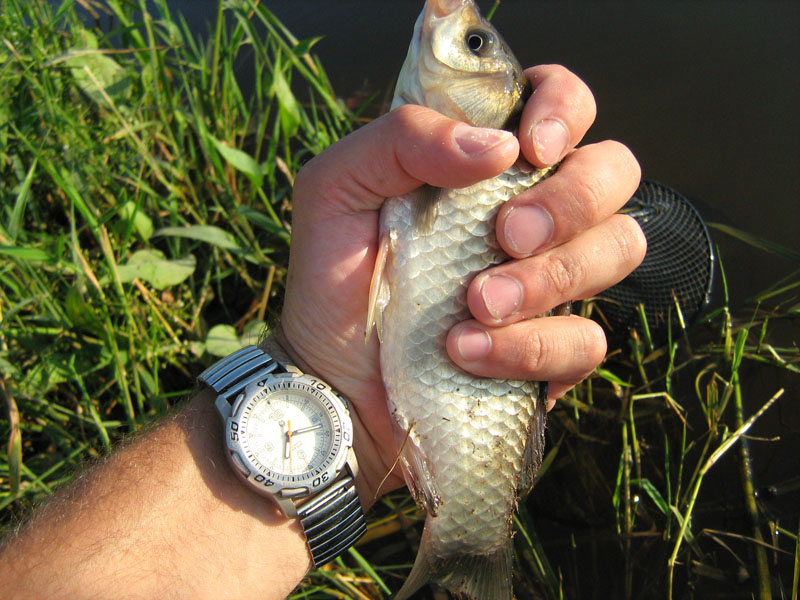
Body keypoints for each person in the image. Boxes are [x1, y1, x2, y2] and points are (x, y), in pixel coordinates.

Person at [0, 65, 645, 598]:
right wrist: (323, 383)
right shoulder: (444, 152)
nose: (450, 27)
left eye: (473, 44)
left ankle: (472, 544)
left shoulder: (491, 148)